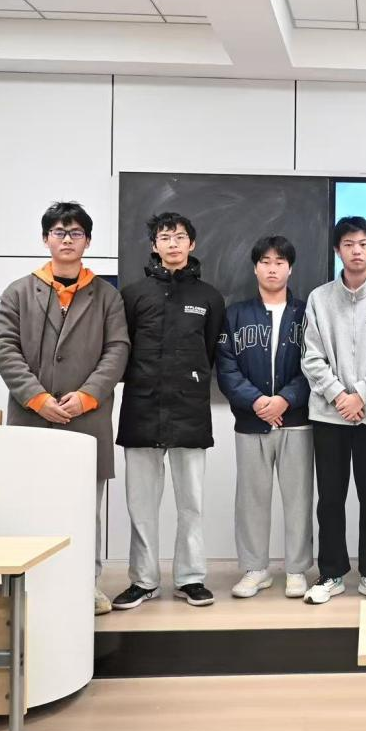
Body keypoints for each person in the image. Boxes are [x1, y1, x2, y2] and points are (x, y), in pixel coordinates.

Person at [0, 201, 129, 616]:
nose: (67, 239)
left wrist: (87, 395)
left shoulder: (107, 296)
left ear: (88, 241)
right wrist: (38, 398)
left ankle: (87, 585)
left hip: (87, 419)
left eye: (75, 233)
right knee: (30, 504)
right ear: (45, 239)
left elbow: (117, 350)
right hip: (32, 418)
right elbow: (4, 349)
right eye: (58, 232)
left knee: (85, 510)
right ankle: (29, 587)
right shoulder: (19, 291)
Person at [112, 212, 225, 611]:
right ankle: (143, 581)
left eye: (179, 237)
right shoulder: (133, 295)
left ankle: (190, 578)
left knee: (191, 503)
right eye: (165, 237)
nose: (173, 244)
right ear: (154, 245)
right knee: (140, 505)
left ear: (192, 244)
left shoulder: (209, 297)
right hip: (141, 409)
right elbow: (121, 349)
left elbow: (210, 351)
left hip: (189, 410)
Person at [300, 216, 366, 604]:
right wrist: (338, 396)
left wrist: (360, 395)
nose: (356, 251)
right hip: (329, 416)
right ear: (337, 250)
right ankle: (331, 573)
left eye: (362, 244)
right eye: (348, 244)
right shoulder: (319, 298)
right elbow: (310, 356)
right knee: (329, 497)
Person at [217, 235, 314, 601]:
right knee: (251, 500)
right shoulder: (236, 314)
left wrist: (285, 400)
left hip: (296, 421)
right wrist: (257, 401)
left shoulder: (307, 313)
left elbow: (315, 365)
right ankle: (255, 569)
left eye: (279, 262)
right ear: (255, 268)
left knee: (298, 499)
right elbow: (226, 367)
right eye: (265, 262)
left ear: (290, 268)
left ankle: (296, 569)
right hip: (251, 421)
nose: (272, 269)